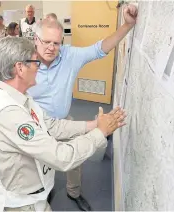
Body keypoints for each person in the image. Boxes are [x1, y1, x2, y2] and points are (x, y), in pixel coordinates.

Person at [0, 36, 126, 211]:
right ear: (20, 68)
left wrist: (94, 124)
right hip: (22, 204)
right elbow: (61, 157)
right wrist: (100, 133)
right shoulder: (9, 114)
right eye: (35, 62)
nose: (38, 68)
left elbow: (52, 126)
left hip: (32, 194)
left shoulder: (18, 95)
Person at [28, 4, 138, 210]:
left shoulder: (69, 56)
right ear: (36, 40)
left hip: (63, 121)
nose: (51, 47)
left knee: (75, 159)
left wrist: (127, 25)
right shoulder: (24, 62)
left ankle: (73, 193)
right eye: (46, 42)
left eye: (56, 43)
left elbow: (100, 49)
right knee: (38, 164)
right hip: (36, 124)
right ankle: (45, 189)